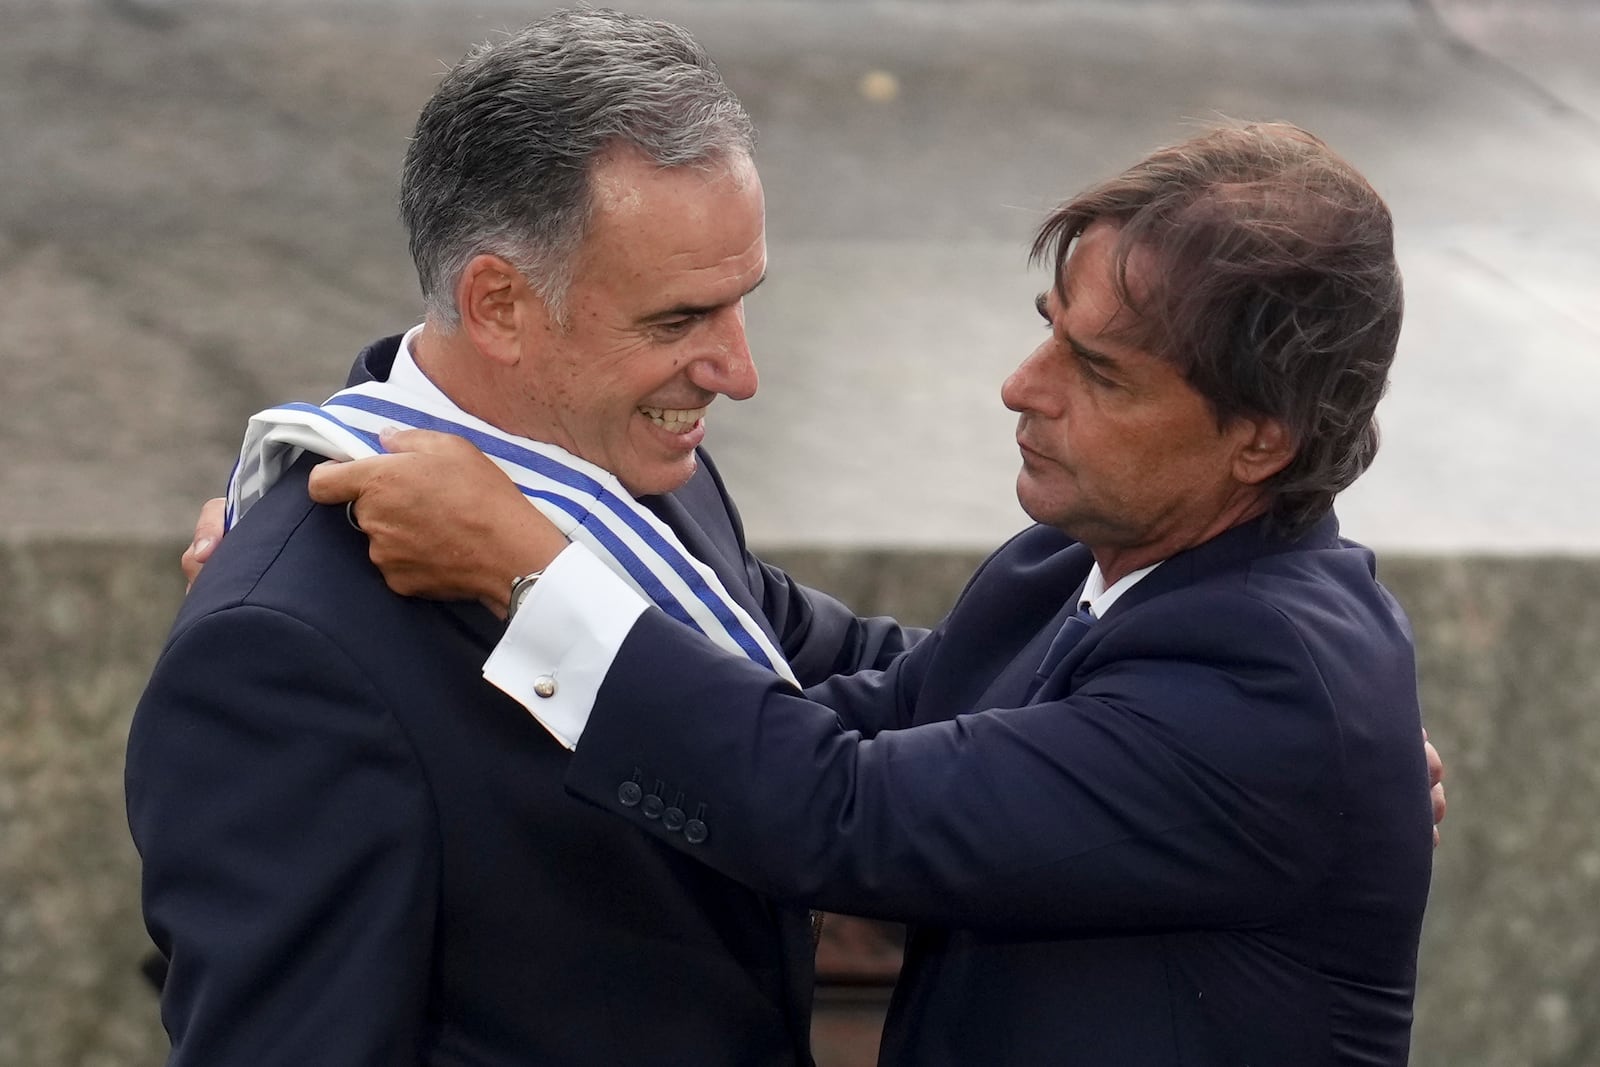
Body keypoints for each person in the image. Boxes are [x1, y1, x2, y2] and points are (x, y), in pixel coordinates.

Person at [305, 122, 1437, 1065]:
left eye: (1099, 373)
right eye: (1050, 332)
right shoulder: (1072, 563)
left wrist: (525, 566)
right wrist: (340, 571)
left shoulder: (1269, 691)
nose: (1020, 387)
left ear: (1258, 439)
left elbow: (836, 809)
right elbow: (838, 698)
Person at [126, 11, 920, 1065]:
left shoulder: (643, 471)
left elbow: (842, 680)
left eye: (740, 306)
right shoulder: (281, 653)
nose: (738, 369)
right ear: (498, 301)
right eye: (678, 320)